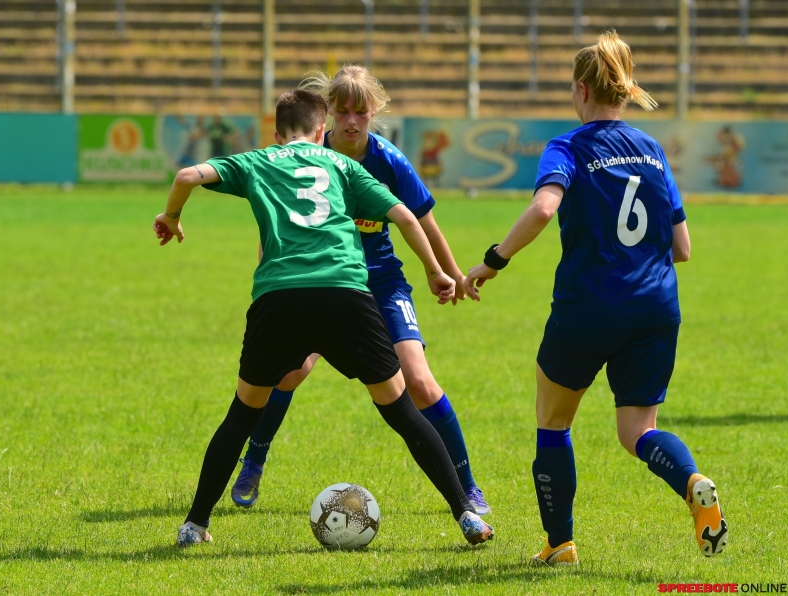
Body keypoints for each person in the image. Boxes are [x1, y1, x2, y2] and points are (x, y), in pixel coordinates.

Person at [153, 89, 494, 547]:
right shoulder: (343, 165)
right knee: (400, 409)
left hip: (279, 298)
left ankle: (194, 525)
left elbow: (186, 175)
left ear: (277, 134)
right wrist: (434, 271)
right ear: (321, 130)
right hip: (344, 295)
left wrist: (171, 216)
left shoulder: (259, 160)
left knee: (242, 414)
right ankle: (466, 515)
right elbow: (405, 217)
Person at [463, 30, 727, 566]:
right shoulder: (653, 150)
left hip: (588, 307)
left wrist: (493, 261)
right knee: (639, 431)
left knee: (554, 422)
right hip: (655, 308)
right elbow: (682, 248)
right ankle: (691, 480)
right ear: (623, 91)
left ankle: (560, 544)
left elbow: (543, 208)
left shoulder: (567, 147)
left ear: (582, 90)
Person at [230, 65, 491, 515]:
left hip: (381, 282)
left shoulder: (389, 161)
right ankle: (254, 459)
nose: (352, 121)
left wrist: (450, 274)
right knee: (289, 373)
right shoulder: (308, 154)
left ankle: (467, 486)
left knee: (420, 382)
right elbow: (277, 225)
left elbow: (424, 222)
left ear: (375, 111)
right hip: (322, 279)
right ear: (327, 112)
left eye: (361, 112)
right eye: (343, 111)